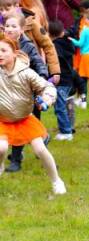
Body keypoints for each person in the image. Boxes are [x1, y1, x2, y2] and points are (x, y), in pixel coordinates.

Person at [0, 34, 65, 194]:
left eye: (3, 50)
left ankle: (57, 181)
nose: (0, 54)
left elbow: (48, 88)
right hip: (2, 120)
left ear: (14, 53)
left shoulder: (26, 73)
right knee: (1, 148)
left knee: (40, 149)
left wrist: (46, 100)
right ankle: (1, 165)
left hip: (25, 119)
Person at [0, 0, 59, 84]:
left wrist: (54, 71)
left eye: (7, 9)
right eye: (1, 9)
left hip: (30, 70)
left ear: (16, 6)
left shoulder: (31, 22)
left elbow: (48, 45)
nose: (3, 13)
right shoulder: (2, 26)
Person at [48, 21, 76, 142]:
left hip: (61, 80)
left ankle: (66, 131)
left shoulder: (55, 46)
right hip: (68, 80)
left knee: (60, 107)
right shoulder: (67, 43)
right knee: (63, 105)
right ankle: (67, 128)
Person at [4, 13, 49, 79]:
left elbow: (39, 64)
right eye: (7, 26)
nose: (10, 29)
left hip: (22, 83)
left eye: (14, 26)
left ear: (22, 30)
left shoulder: (28, 46)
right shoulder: (2, 43)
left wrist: (42, 77)